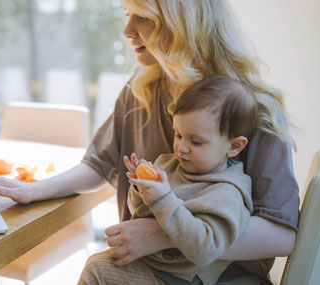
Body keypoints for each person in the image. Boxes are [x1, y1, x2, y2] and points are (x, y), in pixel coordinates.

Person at [0, 0, 299, 283]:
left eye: (143, 17)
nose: (127, 30)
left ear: (182, 19)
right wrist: (34, 190)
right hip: (146, 270)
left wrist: (166, 232)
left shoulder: (254, 108)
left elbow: (281, 234)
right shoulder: (140, 91)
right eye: (127, 14)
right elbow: (98, 165)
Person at [79, 75, 257, 285]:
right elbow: (140, 214)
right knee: (99, 260)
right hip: (149, 265)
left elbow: (206, 250)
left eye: (196, 141)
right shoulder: (169, 164)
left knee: (97, 270)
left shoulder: (227, 193)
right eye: (178, 135)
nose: (181, 147)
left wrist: (163, 199)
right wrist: (140, 189)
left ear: (234, 146)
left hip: (179, 279)